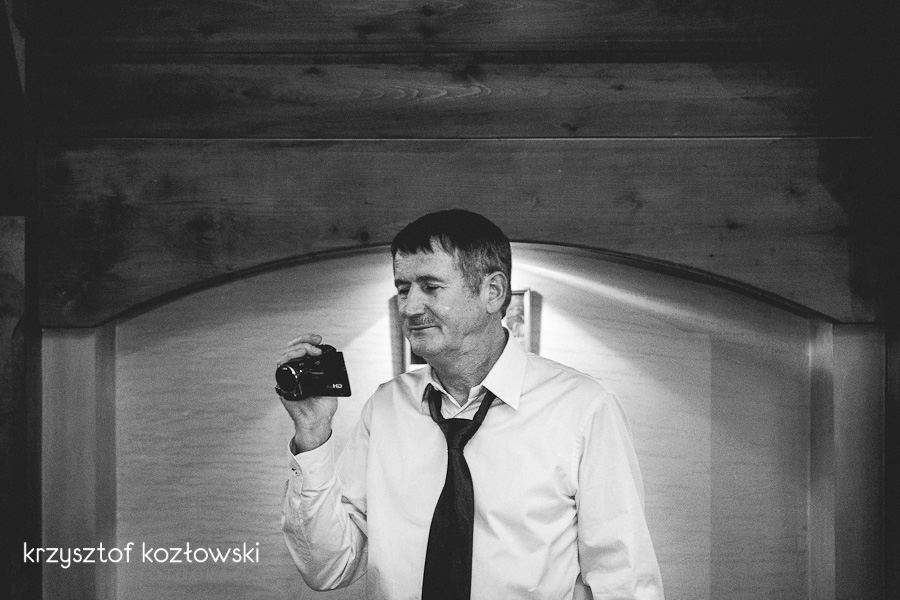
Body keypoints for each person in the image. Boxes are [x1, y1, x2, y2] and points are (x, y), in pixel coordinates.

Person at [279, 209, 665, 600]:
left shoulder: (583, 408)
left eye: (430, 287)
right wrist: (312, 433)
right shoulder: (384, 408)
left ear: (493, 292)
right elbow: (328, 568)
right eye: (403, 288)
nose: (408, 307)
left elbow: (624, 581)